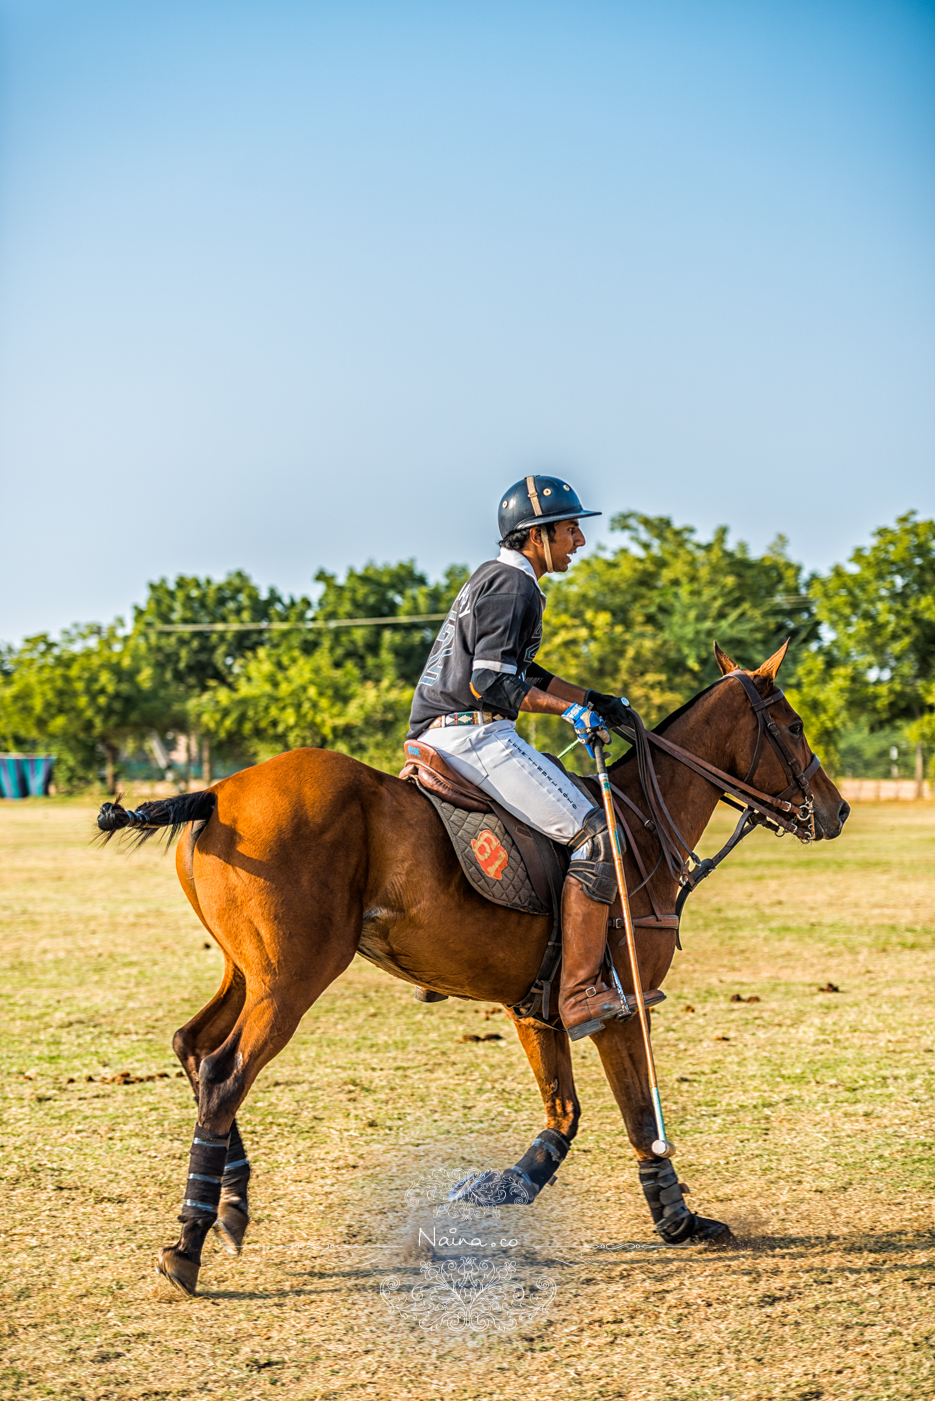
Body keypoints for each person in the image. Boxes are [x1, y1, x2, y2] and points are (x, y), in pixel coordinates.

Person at [407, 474, 633, 1040]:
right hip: (473, 733)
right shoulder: (514, 586)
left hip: (448, 732)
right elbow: (491, 683)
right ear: (537, 535)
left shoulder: (497, 578)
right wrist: (567, 714)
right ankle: (580, 992)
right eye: (571, 529)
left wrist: (591, 699)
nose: (579, 541)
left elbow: (520, 671)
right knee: (597, 836)